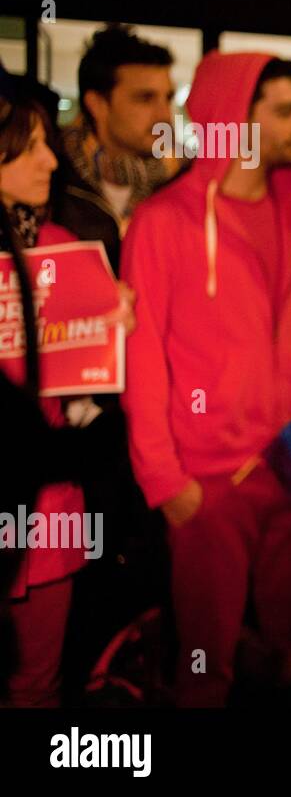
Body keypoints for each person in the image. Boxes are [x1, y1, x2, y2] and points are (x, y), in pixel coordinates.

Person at [121, 50, 291, 706]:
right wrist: (166, 482)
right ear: (232, 121)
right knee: (203, 671)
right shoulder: (162, 223)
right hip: (207, 481)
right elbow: (143, 360)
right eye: (281, 110)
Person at [0, 92, 133, 705]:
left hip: (49, 510)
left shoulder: (62, 244)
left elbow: (85, 396)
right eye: (26, 151)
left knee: (38, 687)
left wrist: (110, 333)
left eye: (47, 145)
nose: (50, 161)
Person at [62, 24, 181, 239]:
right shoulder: (52, 180)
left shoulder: (182, 179)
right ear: (97, 104)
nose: (165, 116)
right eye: (145, 99)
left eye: (168, 98)